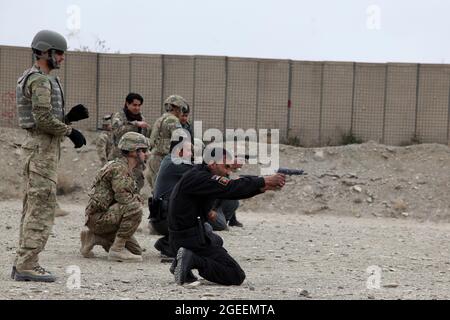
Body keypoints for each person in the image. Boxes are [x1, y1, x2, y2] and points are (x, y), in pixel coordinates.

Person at [13, 30, 89, 282]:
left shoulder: (40, 79)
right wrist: (71, 131)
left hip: (41, 150)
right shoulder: (40, 81)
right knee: (41, 209)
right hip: (41, 151)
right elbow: (43, 120)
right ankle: (27, 264)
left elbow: (43, 118)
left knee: (35, 206)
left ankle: (24, 262)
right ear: (45, 52)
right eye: (59, 53)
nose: (63, 58)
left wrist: (68, 118)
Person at [168, 146, 286, 285]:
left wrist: (262, 186)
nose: (228, 171)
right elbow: (231, 188)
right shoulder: (200, 178)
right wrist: (263, 181)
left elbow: (232, 189)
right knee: (235, 275)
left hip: (183, 236)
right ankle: (191, 258)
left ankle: (182, 262)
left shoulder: (198, 174)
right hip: (189, 238)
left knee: (216, 240)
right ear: (212, 163)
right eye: (226, 166)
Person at [80, 132, 149, 262]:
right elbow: (124, 199)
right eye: (144, 150)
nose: (147, 154)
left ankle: (94, 237)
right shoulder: (119, 169)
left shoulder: (125, 167)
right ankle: (116, 250)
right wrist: (137, 200)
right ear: (133, 152)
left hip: (102, 217)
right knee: (135, 207)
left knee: (136, 251)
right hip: (98, 218)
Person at [149, 136, 194, 258]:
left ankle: (167, 242)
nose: (191, 153)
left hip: (162, 217)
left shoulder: (169, 160)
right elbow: (199, 171)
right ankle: (168, 245)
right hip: (164, 219)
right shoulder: (175, 163)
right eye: (189, 150)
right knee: (202, 229)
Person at [147, 95, 189, 189]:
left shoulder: (161, 119)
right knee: (165, 188)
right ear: (177, 108)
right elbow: (180, 140)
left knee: (156, 188)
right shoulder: (173, 120)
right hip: (163, 159)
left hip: (154, 157)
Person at [111, 93, 149, 192]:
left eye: (139, 105)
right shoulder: (119, 116)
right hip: (120, 156)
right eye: (134, 105)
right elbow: (117, 131)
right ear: (127, 104)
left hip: (136, 158)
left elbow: (144, 138)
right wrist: (135, 124)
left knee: (137, 182)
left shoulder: (141, 118)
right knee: (119, 184)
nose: (137, 108)